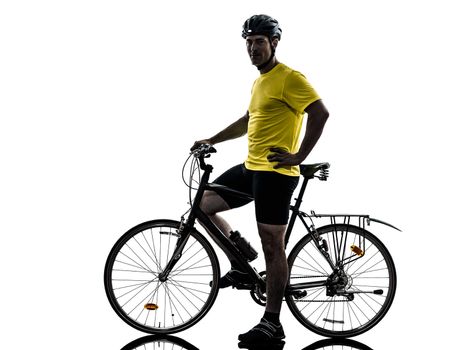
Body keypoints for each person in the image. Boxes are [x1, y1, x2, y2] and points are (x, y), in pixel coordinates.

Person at [191, 14, 329, 344]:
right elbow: (249, 119)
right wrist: (213, 139)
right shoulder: (260, 81)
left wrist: (298, 157)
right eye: (249, 43)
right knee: (201, 204)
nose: (253, 49)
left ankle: (272, 322)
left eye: (259, 42)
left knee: (273, 246)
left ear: (274, 43)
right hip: (252, 168)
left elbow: (320, 113)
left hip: (276, 175)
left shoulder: (290, 78)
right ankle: (240, 262)